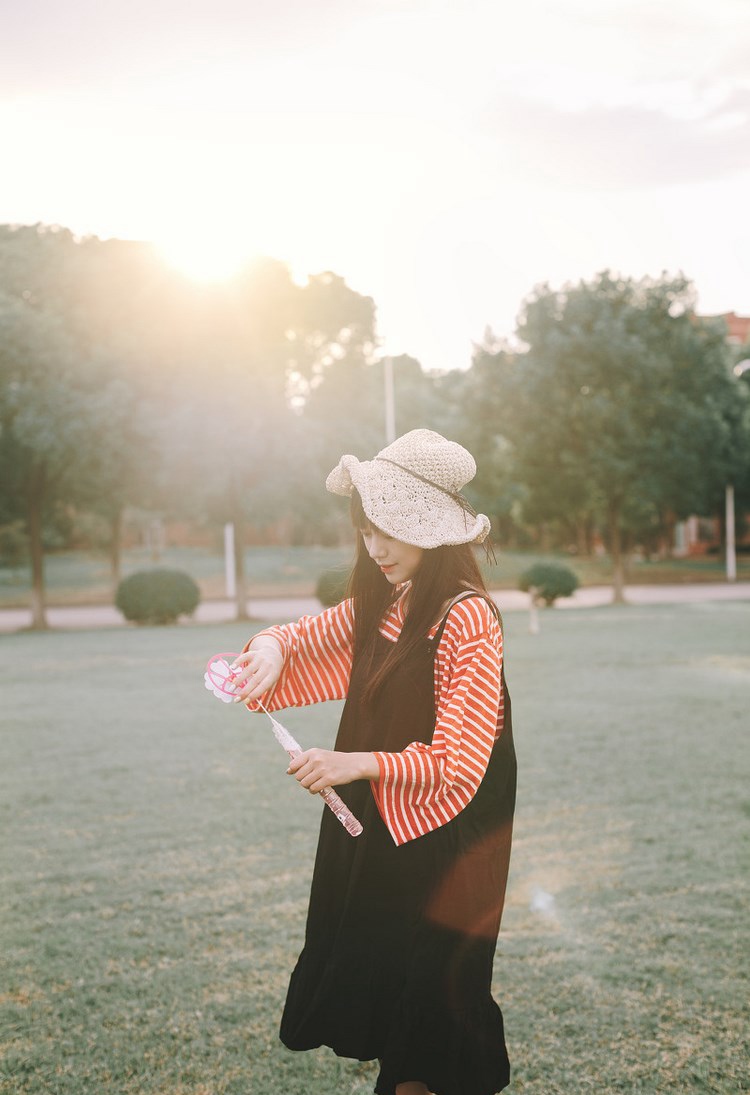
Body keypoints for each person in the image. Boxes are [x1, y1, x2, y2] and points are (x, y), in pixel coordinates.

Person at [231, 429, 517, 1095]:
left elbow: (459, 763)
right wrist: (269, 645)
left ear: (431, 528)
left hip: (450, 847)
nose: (376, 547)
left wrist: (351, 763)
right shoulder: (387, 604)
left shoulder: (466, 617)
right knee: (402, 1016)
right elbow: (302, 638)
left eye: (388, 529)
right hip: (390, 836)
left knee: (434, 1015)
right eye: (366, 529)